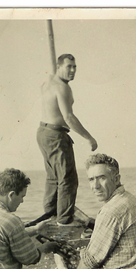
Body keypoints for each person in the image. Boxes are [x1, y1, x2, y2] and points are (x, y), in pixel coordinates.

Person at [37, 54, 98, 226]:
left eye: (74, 67)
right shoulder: (63, 88)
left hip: (43, 132)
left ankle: (50, 214)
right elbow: (69, 117)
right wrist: (89, 138)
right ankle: (63, 221)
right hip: (55, 135)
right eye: (68, 66)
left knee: (53, 177)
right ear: (59, 66)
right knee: (67, 178)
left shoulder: (47, 83)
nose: (72, 70)